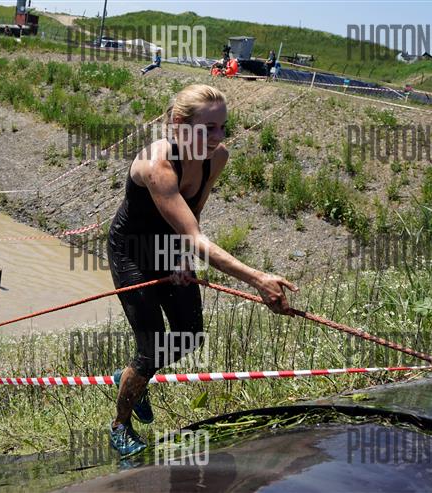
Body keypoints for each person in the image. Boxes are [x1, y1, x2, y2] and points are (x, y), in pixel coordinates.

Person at [107, 85, 298, 457]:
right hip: (132, 253)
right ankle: (120, 425)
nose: (218, 137)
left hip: (170, 246)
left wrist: (180, 256)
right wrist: (258, 279)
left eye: (222, 127)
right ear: (180, 124)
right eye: (208, 128)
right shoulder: (157, 165)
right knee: (151, 347)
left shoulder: (217, 157)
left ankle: (130, 377)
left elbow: (193, 214)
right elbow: (196, 237)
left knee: (190, 335)